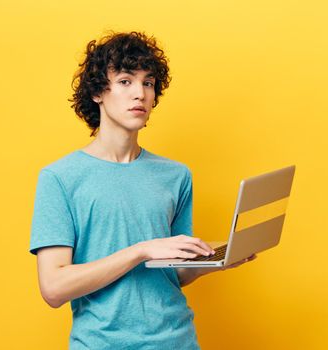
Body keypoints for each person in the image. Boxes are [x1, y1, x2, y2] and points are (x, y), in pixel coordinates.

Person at [29, 31, 255, 349]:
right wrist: (140, 250)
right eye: (125, 81)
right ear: (97, 93)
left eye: (148, 83)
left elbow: (171, 273)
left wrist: (214, 262)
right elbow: (53, 288)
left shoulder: (176, 175)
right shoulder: (60, 178)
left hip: (177, 340)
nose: (140, 94)